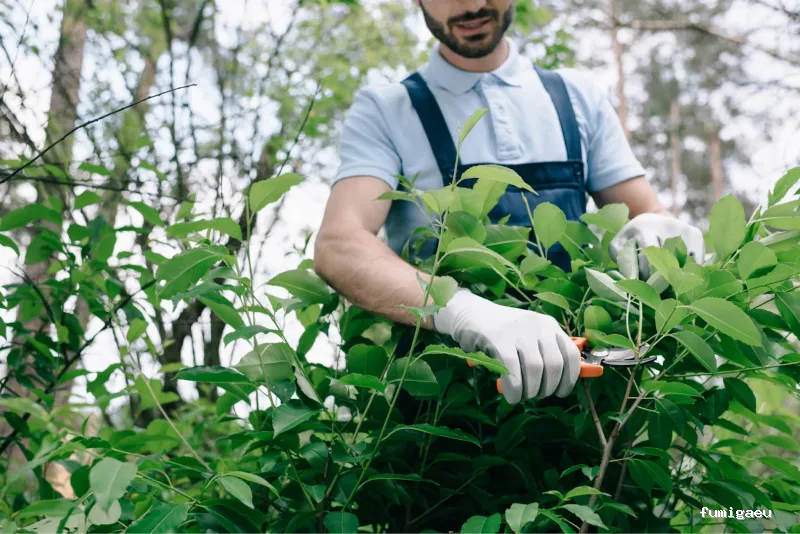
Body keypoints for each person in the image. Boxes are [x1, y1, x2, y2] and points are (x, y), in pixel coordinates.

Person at [314, 0, 705, 405]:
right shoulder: (387, 110)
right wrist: (462, 311)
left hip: (587, 403)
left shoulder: (577, 97)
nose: (473, 5)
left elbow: (647, 214)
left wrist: (662, 232)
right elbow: (339, 246)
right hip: (442, 416)